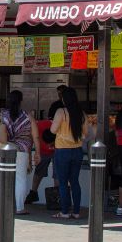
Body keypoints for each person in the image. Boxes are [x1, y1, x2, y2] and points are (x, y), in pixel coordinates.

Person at [0, 89, 40, 214]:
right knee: (20, 178)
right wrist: (37, 152)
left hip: (1, 148)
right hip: (21, 149)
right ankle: (20, 208)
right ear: (21, 101)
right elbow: (36, 136)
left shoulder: (0, 114)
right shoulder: (27, 116)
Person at [50, 86, 86, 219]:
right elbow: (86, 132)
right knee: (75, 181)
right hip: (77, 150)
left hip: (62, 151)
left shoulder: (61, 112)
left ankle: (65, 211)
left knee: (63, 182)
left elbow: (53, 130)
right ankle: (76, 212)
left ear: (64, 99)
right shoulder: (81, 113)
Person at [25, 117, 56, 204]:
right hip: (42, 151)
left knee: (58, 172)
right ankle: (33, 193)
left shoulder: (56, 126)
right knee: (39, 170)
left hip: (57, 150)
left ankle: (57, 195)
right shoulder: (37, 127)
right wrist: (29, 160)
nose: (50, 146)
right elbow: (30, 143)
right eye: (49, 144)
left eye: (51, 144)